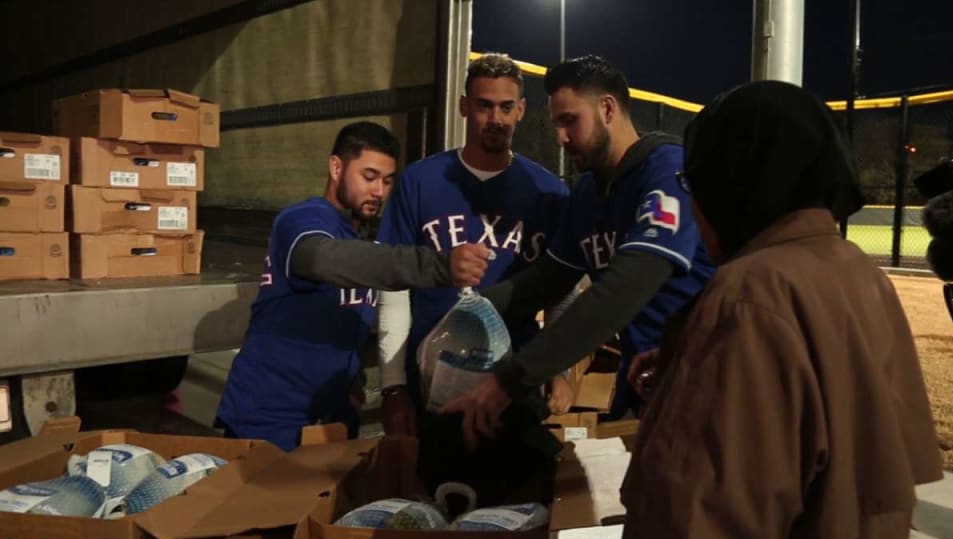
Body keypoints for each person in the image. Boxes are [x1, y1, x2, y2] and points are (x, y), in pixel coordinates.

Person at [615, 81, 944, 539]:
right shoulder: (854, 267)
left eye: (694, 184)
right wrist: (689, 365)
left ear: (731, 181)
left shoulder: (747, 295)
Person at [440, 55, 715, 448]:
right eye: (556, 124)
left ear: (607, 109)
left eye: (570, 121)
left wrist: (514, 376)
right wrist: (468, 312)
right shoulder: (587, 192)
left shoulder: (667, 169)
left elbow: (627, 285)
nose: (560, 138)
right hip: (645, 384)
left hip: (703, 383)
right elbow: (547, 280)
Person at [214, 121, 493, 451]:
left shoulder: (366, 239)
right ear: (336, 167)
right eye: (369, 176)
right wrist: (439, 265)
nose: (379, 192)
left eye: (388, 181)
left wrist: (354, 382)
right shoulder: (301, 219)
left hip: (332, 419)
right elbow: (322, 259)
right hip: (269, 420)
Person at [376, 53, 570, 437]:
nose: (495, 119)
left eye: (506, 107)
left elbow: (560, 289)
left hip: (516, 381)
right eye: (484, 105)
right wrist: (393, 386)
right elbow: (393, 289)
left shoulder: (548, 192)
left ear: (521, 110)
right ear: (464, 107)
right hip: (432, 381)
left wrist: (559, 368)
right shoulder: (420, 181)